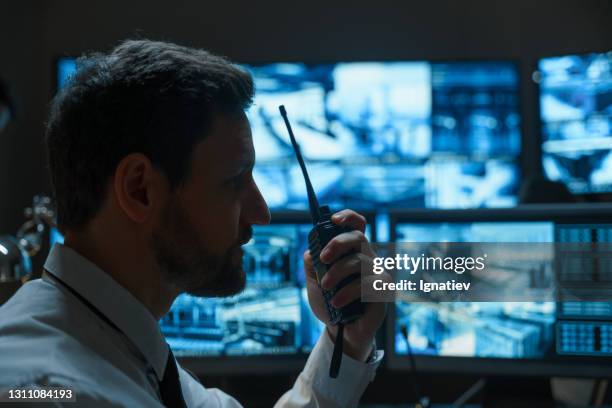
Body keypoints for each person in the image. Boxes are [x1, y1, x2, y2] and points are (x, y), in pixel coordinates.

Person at [0, 40, 386, 407]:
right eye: (234, 180)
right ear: (140, 190)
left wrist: (346, 342)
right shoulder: (43, 391)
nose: (261, 212)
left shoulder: (127, 351)